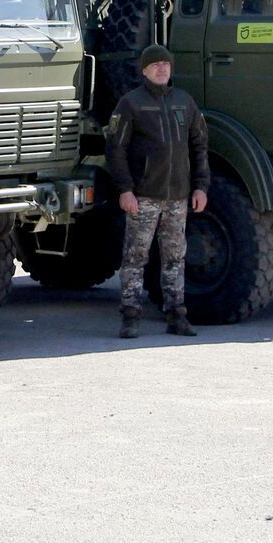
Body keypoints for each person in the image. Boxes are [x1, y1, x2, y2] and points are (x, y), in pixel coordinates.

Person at [107, 44, 209, 338]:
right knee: (135, 258)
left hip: (178, 198)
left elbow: (200, 145)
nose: (162, 68)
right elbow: (116, 150)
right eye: (155, 65)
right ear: (144, 70)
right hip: (143, 198)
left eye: (166, 64)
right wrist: (125, 190)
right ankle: (130, 316)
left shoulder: (184, 102)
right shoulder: (131, 104)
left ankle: (177, 315)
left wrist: (201, 187)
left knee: (175, 259)